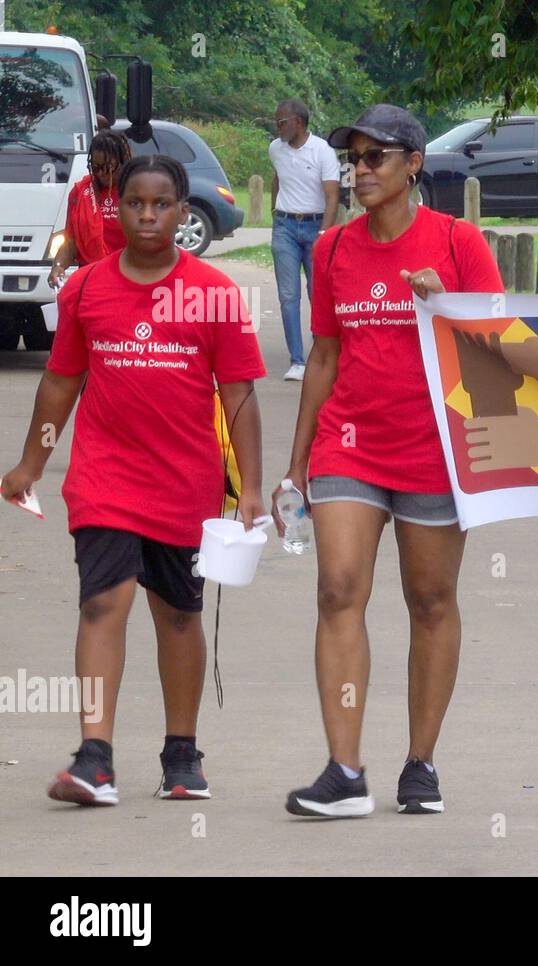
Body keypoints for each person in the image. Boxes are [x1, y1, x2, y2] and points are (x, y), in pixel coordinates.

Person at [1, 154, 267, 806]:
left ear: (182, 210)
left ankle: (182, 753)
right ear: (115, 209)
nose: (147, 215)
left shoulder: (214, 293)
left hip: (184, 482)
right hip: (104, 476)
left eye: (161, 204)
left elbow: (239, 397)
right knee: (102, 603)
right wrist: (32, 462)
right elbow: (62, 381)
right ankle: (95, 758)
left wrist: (253, 489)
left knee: (178, 616)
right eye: (135, 204)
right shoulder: (87, 289)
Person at [276, 105, 503, 818]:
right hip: (351, 442)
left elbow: (503, 339)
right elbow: (324, 355)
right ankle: (344, 771)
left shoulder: (459, 242)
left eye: (377, 156)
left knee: (430, 600)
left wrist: (451, 303)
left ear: (414, 164)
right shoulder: (334, 249)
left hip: (438, 449)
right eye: (355, 157)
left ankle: (421, 764)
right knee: (338, 588)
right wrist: (297, 463)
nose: (362, 169)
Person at [269, 97, 341, 382]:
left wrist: (324, 233)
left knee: (317, 293)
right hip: (285, 226)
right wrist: (274, 210)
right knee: (288, 295)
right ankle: (297, 360)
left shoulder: (322, 151)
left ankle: (320, 356)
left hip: (315, 227)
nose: (277, 127)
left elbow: (332, 195)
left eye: (282, 122)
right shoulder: (276, 149)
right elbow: (277, 178)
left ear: (297, 122)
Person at [47, 130, 132, 290]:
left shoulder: (137, 192)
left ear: (123, 161)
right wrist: (58, 266)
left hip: (129, 281)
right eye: (95, 167)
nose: (100, 174)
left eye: (107, 168)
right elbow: (71, 242)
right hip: (92, 282)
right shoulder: (80, 193)